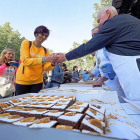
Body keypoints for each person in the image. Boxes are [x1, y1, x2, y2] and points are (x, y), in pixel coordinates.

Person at [53, 6, 140, 101]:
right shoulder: (130, 19)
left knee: (136, 103)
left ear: (108, 13)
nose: (98, 25)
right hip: (132, 67)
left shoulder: (112, 22)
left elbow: (89, 46)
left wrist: (65, 57)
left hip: (134, 71)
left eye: (99, 21)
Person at [16, 25, 57, 95]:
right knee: (21, 104)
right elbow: (25, 61)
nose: (44, 37)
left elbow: (46, 67)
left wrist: (53, 63)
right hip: (23, 81)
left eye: (46, 36)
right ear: (36, 34)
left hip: (37, 82)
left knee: (35, 104)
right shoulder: (26, 43)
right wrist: (43, 59)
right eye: (42, 34)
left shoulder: (45, 50)